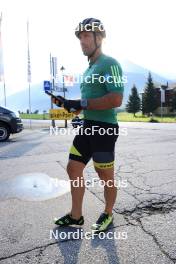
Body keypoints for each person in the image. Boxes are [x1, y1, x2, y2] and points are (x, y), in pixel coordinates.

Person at [52, 18, 124, 232]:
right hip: (87, 126)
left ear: (99, 38)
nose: (82, 41)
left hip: (104, 129)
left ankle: (108, 213)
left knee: (105, 176)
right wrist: (70, 105)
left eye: (86, 36)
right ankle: (76, 216)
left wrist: (81, 103)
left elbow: (116, 99)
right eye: (80, 37)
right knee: (73, 168)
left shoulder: (109, 64)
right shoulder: (89, 69)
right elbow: (86, 104)